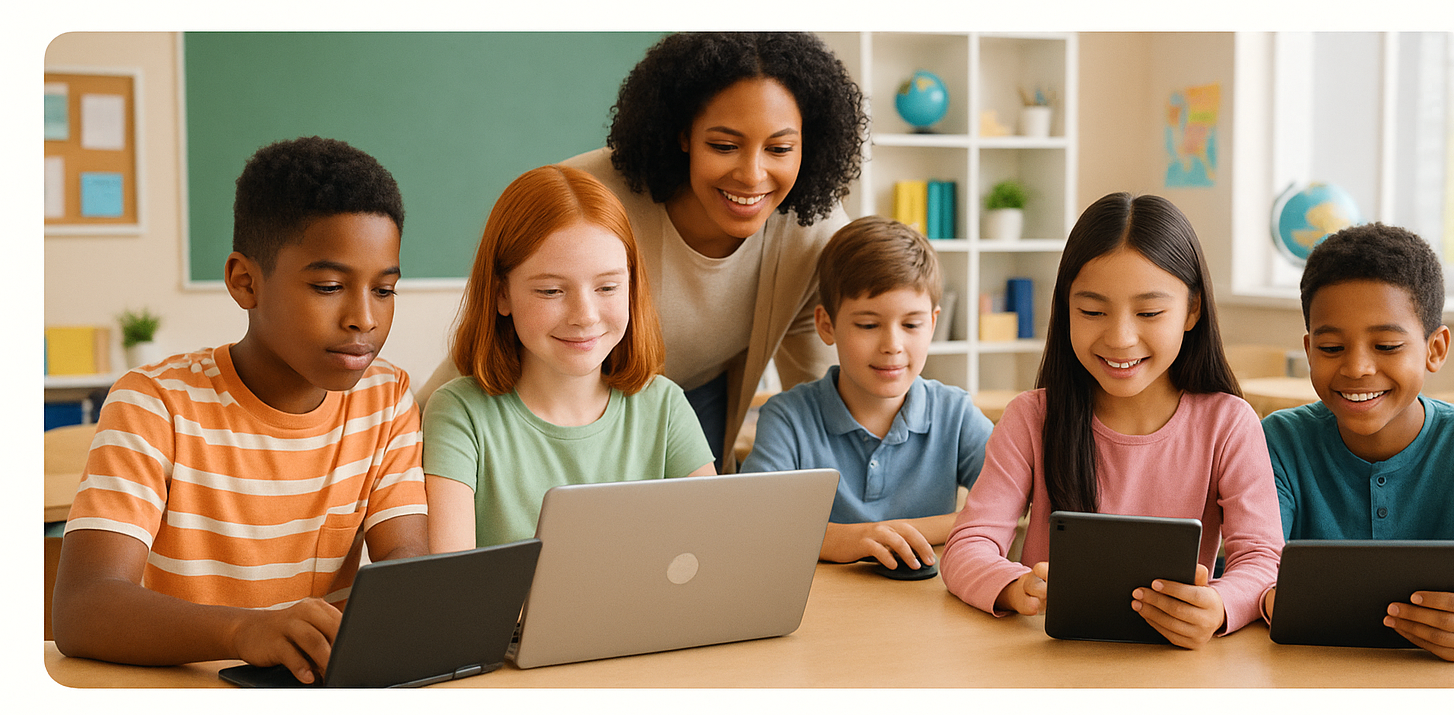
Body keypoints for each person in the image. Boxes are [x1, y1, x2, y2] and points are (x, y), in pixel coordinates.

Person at [52, 137, 428, 684]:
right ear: (245, 282)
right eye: (328, 286)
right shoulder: (155, 404)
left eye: (386, 290)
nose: (363, 319)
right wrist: (244, 630)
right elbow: (83, 608)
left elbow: (406, 567)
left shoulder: (386, 398)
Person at [420, 32, 868, 472]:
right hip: (553, 404)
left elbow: (824, 404)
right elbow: (483, 343)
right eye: (724, 145)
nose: (752, 176)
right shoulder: (587, 200)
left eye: (780, 148)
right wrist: (408, 447)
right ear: (682, 134)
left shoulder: (814, 234)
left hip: (690, 402)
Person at [941, 192, 1284, 649]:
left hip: (1176, 667)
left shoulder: (1229, 424)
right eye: (1092, 312)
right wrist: (1011, 585)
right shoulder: (1031, 418)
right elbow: (968, 545)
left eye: (1149, 313)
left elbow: (1262, 559)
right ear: (1065, 309)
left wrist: (1220, 605)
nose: (1120, 337)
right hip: (1049, 663)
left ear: (1193, 310)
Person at [422, 165, 716, 552]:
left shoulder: (664, 405)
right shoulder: (459, 413)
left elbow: (715, 551)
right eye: (550, 291)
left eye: (607, 287)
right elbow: (453, 579)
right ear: (502, 295)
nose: (585, 315)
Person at [1260, 223, 1454, 662]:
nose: (1358, 367)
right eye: (1330, 347)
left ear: (1434, 349)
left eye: (1386, 345)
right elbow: (1257, 572)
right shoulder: (1280, 440)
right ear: (1308, 351)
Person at [739, 216, 992, 571]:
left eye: (911, 325)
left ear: (933, 324)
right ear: (827, 325)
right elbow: (752, 524)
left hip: (928, 613)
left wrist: (887, 534)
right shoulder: (788, 418)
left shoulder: (956, 413)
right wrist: (851, 540)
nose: (893, 345)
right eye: (869, 325)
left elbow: (1009, 507)